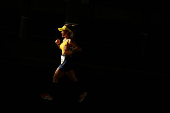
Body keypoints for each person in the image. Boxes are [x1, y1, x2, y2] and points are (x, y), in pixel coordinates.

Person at [41, 24, 87, 102]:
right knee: (73, 79)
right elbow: (63, 49)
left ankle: (50, 95)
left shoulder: (70, 40)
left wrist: (71, 48)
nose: (61, 32)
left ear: (67, 31)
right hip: (65, 60)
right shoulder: (64, 40)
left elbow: (79, 49)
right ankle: (82, 92)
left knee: (55, 77)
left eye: (63, 30)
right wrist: (58, 44)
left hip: (67, 61)